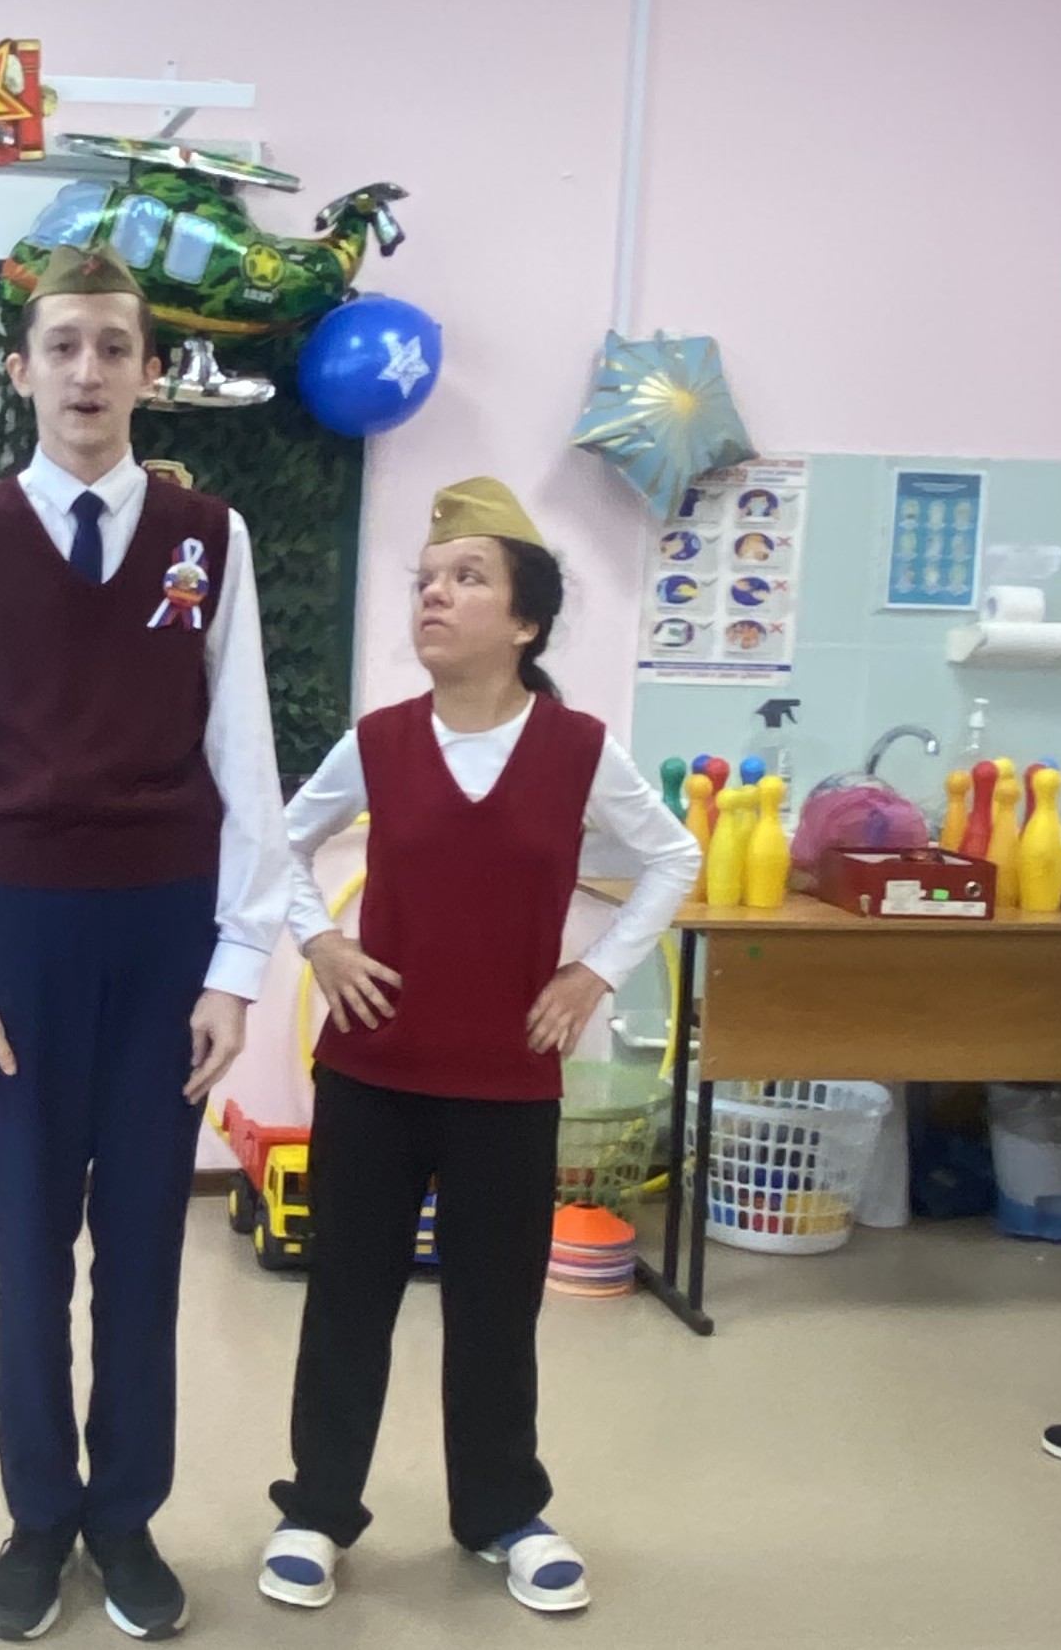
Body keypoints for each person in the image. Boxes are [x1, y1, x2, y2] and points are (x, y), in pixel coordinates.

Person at [0, 243, 290, 1642]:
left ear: (147, 373)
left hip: (166, 931)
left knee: (139, 1245)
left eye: (113, 348)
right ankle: (35, 1518)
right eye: (62, 345)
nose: (87, 371)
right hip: (21, 938)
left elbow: (244, 749)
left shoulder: (209, 536)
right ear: (23, 369)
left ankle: (123, 1516)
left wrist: (237, 965)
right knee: (28, 1247)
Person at [257, 477, 699, 1617]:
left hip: (506, 1081)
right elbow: (274, 845)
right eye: (424, 581)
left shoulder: (577, 750)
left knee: (496, 1308)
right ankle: (317, 1508)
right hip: (374, 1073)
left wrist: (594, 970)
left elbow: (674, 858)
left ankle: (502, 1510)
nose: (434, 596)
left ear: (525, 620)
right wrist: (322, 944)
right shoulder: (378, 742)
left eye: (465, 579)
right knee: (347, 1297)